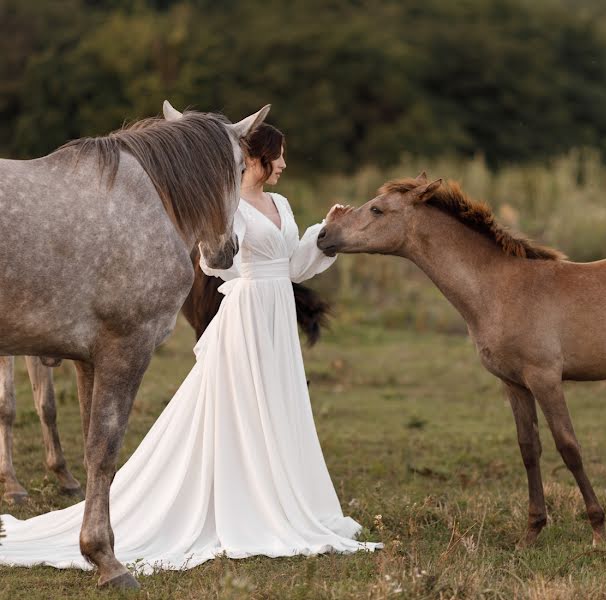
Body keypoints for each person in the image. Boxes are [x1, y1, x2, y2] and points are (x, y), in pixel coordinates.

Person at [0, 123, 377, 574]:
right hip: (249, 310)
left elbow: (291, 264)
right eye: (277, 156)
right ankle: (235, 506)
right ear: (253, 159)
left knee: (276, 408)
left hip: (276, 313)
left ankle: (273, 499)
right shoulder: (227, 206)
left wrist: (323, 235)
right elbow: (215, 260)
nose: (283, 164)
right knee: (238, 410)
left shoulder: (280, 204)